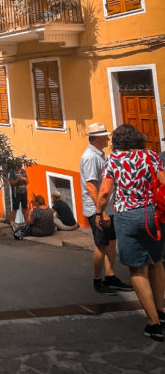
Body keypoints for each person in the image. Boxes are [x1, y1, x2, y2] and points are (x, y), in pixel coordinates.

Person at [96, 124, 165, 342]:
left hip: (127, 216)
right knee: (156, 262)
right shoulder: (152, 156)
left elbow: (106, 191)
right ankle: (161, 311)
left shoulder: (113, 159)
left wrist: (99, 212)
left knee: (137, 270)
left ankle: (153, 324)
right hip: (153, 215)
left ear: (117, 141)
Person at [80, 122, 133, 295]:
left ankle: (110, 277)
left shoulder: (99, 155)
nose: (108, 138)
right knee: (101, 244)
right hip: (98, 208)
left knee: (110, 243)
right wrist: (100, 211)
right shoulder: (90, 157)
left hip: (106, 207)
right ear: (97, 138)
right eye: (105, 136)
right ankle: (98, 280)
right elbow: (91, 187)